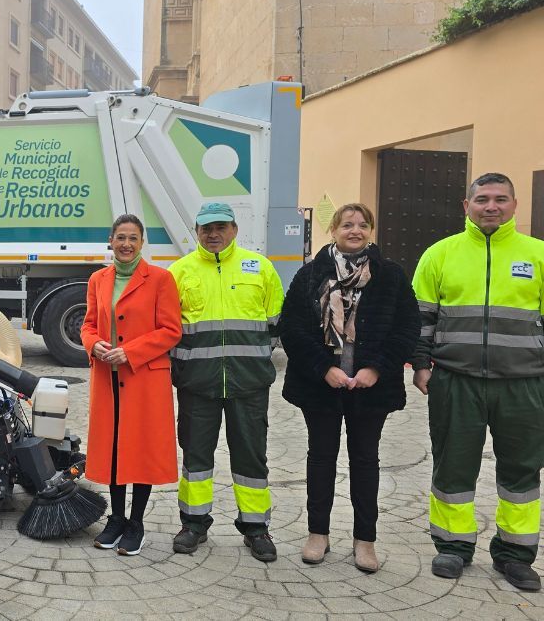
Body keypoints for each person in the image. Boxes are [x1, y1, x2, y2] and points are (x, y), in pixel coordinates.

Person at [412, 173, 544, 591]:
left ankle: (515, 554)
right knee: (453, 464)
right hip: (456, 380)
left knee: (522, 471)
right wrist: (420, 365)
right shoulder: (440, 254)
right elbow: (421, 319)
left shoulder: (537, 254)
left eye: (500, 199)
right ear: (466, 206)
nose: (491, 206)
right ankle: (453, 546)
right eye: (482, 199)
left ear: (515, 205)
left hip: (525, 384)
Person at [278, 203, 418, 573]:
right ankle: (318, 533)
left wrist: (376, 368)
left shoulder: (390, 275)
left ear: (371, 230)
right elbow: (291, 328)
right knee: (321, 458)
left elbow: (407, 328)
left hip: (371, 387)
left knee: (365, 460)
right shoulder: (311, 274)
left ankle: (365, 540)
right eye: (347, 224)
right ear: (334, 230)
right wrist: (324, 368)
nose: (355, 230)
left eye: (362, 224)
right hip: (321, 386)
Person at [168, 202, 284, 562]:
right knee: (196, 458)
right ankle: (193, 524)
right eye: (206, 228)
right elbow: (168, 329)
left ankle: (256, 528)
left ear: (234, 229)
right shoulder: (179, 272)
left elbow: (276, 324)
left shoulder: (260, 267)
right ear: (196, 232)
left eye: (220, 227)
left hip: (249, 384)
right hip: (196, 384)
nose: (213, 234)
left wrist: (254, 362)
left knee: (252, 457)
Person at [81, 214, 182, 556]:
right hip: (107, 377)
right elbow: (89, 324)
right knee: (113, 448)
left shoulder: (160, 279)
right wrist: (93, 343)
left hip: (143, 378)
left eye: (133, 238)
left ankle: (136, 523)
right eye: (120, 237)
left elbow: (171, 330)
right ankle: (117, 518)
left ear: (142, 242)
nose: (126, 244)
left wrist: (131, 352)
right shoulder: (98, 279)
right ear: (110, 241)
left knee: (141, 448)